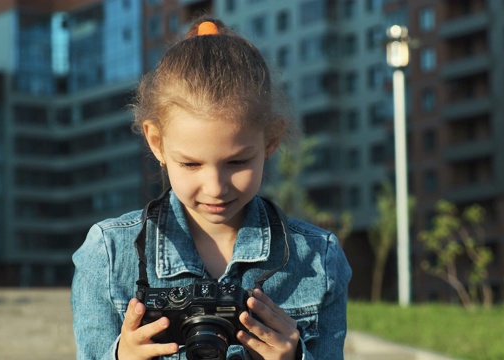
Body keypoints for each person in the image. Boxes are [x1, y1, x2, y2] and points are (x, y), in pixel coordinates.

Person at [71, 17, 352, 360]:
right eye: (191, 164)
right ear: (157, 143)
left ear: (271, 141)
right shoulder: (109, 255)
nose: (215, 187)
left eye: (236, 163)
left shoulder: (318, 260)